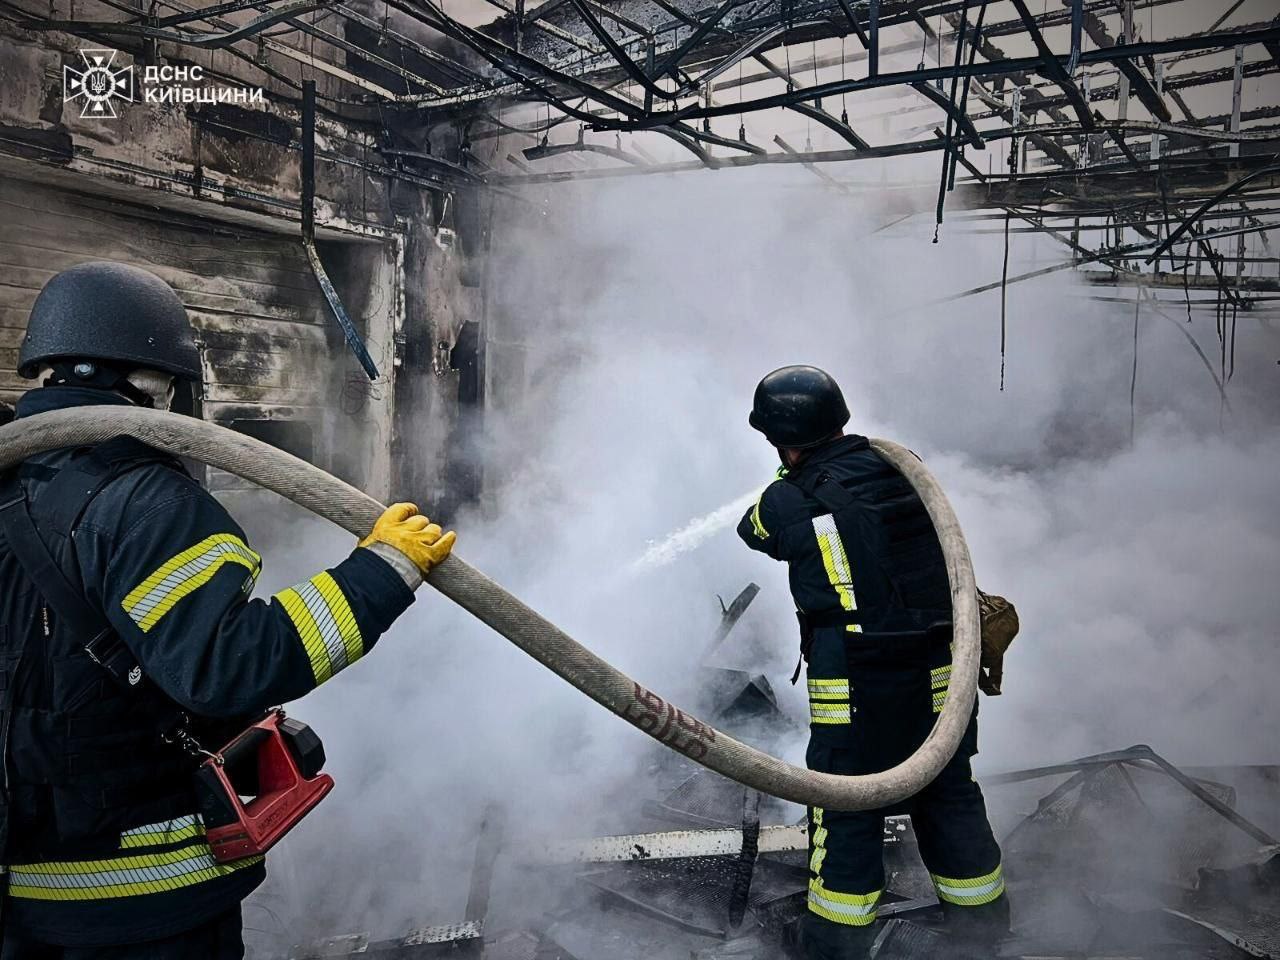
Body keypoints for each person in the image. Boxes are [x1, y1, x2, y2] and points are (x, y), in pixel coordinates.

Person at [0, 261, 455, 959]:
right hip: (141, 902)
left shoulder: (13, 482)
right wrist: (383, 572)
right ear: (156, 380)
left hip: (22, 895)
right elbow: (227, 666)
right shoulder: (146, 502)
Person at [736, 365, 1008, 959]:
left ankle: (835, 943)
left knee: (846, 801)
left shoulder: (788, 499)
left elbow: (752, 529)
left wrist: (791, 480)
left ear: (782, 438)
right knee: (947, 790)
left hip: (855, 679)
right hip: (941, 669)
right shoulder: (901, 468)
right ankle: (984, 929)